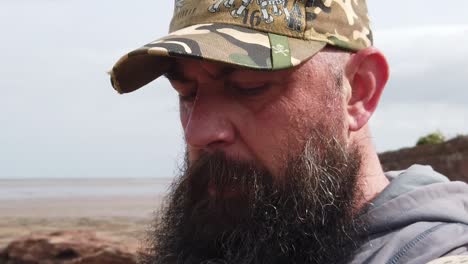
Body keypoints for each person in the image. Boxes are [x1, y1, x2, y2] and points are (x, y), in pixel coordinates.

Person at [110, 0, 468, 263]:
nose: (197, 132)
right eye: (186, 93)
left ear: (358, 90)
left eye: (248, 86)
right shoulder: (259, 237)